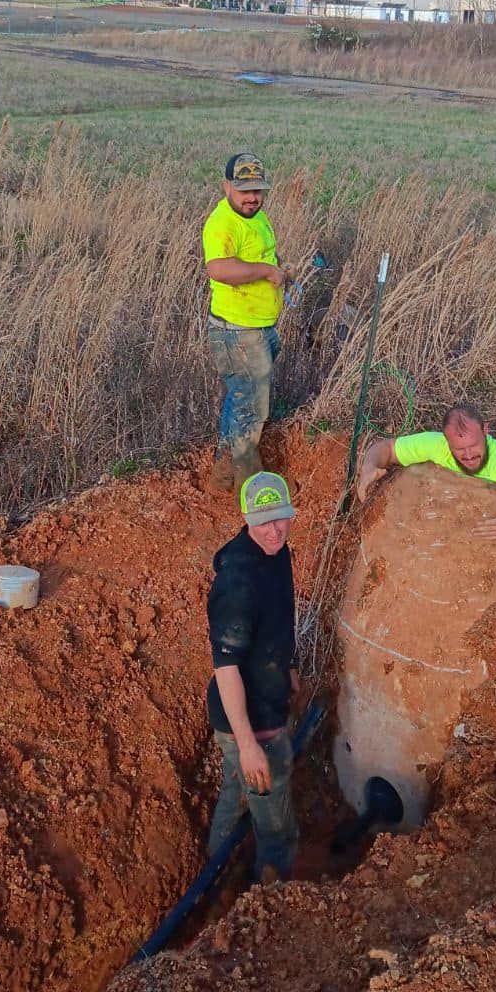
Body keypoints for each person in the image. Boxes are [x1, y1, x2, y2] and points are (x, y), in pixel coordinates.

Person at [206, 471, 301, 882]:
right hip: (252, 721)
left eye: (281, 518)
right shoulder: (237, 581)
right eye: (263, 521)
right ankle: (269, 900)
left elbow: (279, 620)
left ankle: (215, 873)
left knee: (236, 792)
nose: (274, 530)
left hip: (263, 702)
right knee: (277, 825)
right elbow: (226, 668)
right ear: (244, 516)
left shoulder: (278, 554)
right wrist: (248, 745)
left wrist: (290, 668)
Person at [355, 402, 496, 540]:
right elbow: (386, 448)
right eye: (460, 449)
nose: (469, 455)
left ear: (485, 431)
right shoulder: (437, 445)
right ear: (446, 440)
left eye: (474, 446)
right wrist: (369, 467)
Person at [203, 153, 292, 491]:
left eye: (257, 190)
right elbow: (219, 269)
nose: (252, 197)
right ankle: (252, 488)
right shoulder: (223, 222)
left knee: (240, 399)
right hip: (239, 332)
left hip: (256, 326)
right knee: (252, 411)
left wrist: (280, 269)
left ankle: (223, 476)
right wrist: (268, 272)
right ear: (227, 186)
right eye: (244, 190)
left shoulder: (255, 216)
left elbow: (262, 255)